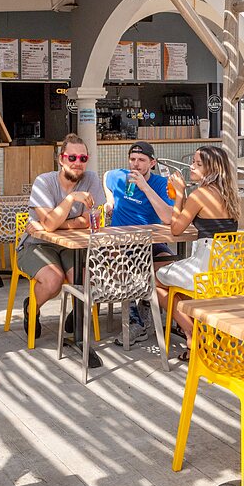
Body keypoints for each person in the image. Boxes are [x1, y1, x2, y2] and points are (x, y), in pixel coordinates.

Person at [19, 135, 106, 354]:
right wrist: (70, 200)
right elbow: (48, 226)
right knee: (54, 280)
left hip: (72, 246)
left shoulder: (92, 179)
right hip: (35, 245)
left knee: (86, 279)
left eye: (83, 158)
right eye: (72, 157)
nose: (78, 162)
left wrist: (53, 224)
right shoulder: (44, 182)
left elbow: (87, 222)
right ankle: (32, 307)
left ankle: (75, 315)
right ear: (61, 159)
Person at [155, 145, 239, 355]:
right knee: (177, 285)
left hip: (204, 265)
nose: (192, 166)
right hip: (227, 268)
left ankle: (194, 334)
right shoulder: (230, 195)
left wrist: (180, 194)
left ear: (212, 170)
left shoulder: (200, 195)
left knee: (154, 282)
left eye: (198, 164)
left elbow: (176, 230)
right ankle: (201, 333)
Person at [103, 140, 175, 345]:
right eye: (132, 159)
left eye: (141, 160)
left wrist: (144, 187)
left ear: (152, 163)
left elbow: (168, 217)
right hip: (120, 245)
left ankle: (157, 309)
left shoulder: (161, 184)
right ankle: (136, 320)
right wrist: (110, 199)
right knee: (121, 266)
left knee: (166, 268)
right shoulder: (119, 176)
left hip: (151, 243)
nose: (136, 164)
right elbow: (106, 175)